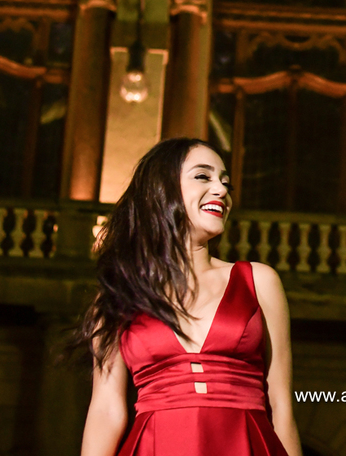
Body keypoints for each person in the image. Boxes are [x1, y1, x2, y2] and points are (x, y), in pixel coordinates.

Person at [76, 137, 303, 456]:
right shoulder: (119, 293)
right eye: (203, 176)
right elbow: (106, 410)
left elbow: (281, 406)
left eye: (225, 183)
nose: (221, 190)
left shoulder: (259, 281)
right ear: (161, 189)